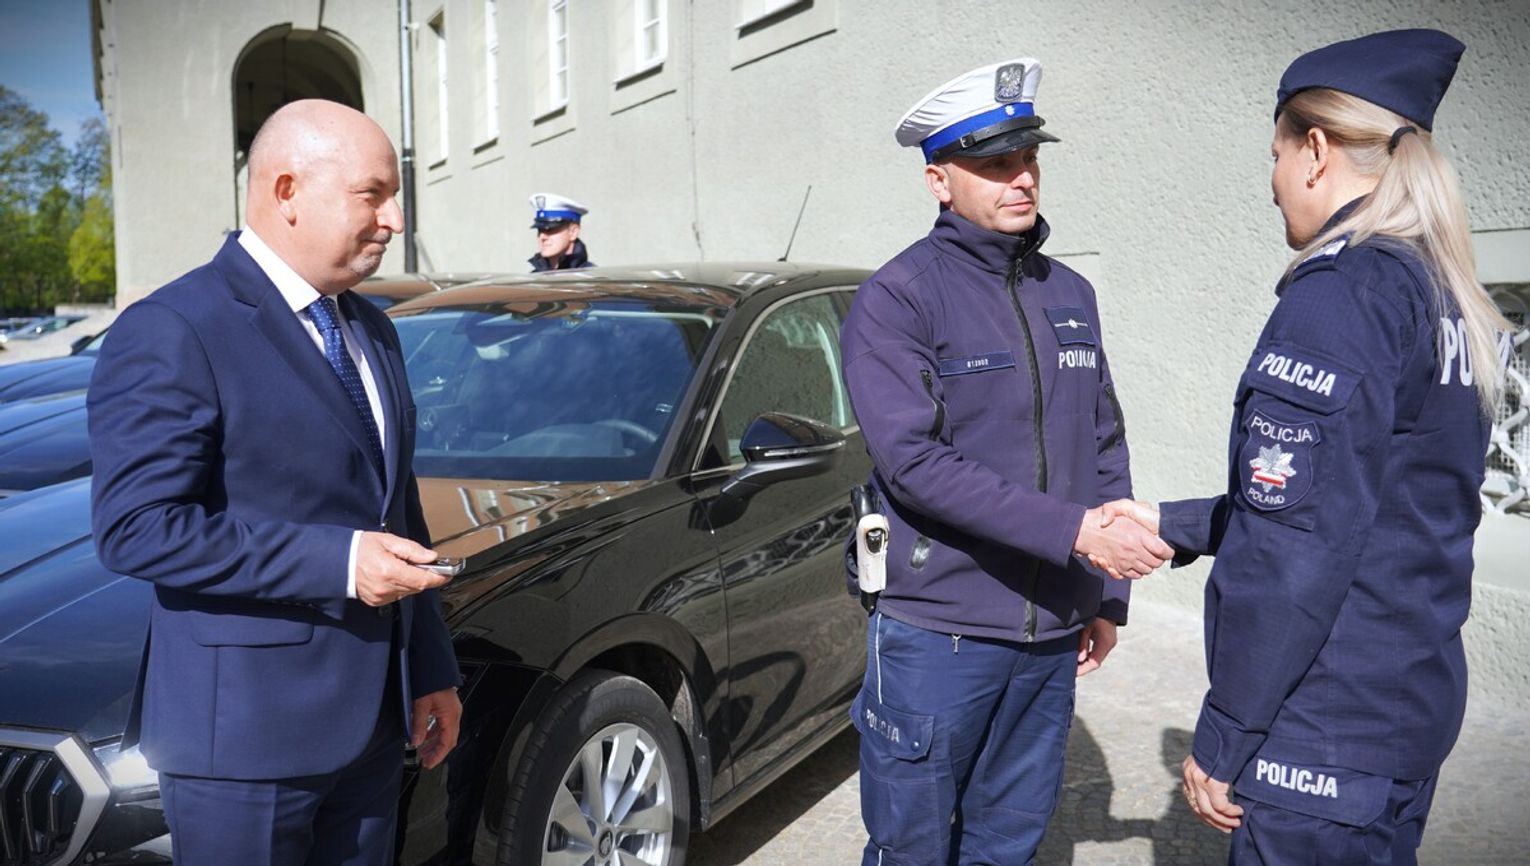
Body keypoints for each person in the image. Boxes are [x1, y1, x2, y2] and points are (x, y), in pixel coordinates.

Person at [1100, 29, 1509, 864]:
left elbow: (1296, 551)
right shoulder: (1438, 289)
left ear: (1316, 151)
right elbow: (1369, 501)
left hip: (1323, 724)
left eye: (1277, 156)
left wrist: (1226, 734)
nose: (1273, 184)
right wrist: (1176, 524)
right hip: (1404, 704)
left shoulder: (1345, 294)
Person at [88, 99, 462, 866]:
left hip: (374, 728)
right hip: (243, 745)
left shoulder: (372, 327)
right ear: (287, 191)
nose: (394, 220)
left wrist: (430, 670)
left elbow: (395, 509)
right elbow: (137, 528)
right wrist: (340, 563)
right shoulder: (175, 327)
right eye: (373, 194)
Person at [840, 57, 1172, 865]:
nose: (1021, 178)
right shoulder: (900, 296)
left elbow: (1103, 442)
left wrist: (1105, 594)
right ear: (938, 181)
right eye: (994, 164)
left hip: (1052, 629)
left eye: (1028, 158)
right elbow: (913, 462)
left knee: (1008, 846)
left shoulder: (1071, 292)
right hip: (939, 632)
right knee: (913, 848)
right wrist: (1076, 534)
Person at [527, 192, 594, 271]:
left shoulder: (592, 277)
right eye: (540, 230)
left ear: (573, 232)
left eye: (550, 229)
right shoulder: (534, 277)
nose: (542, 237)